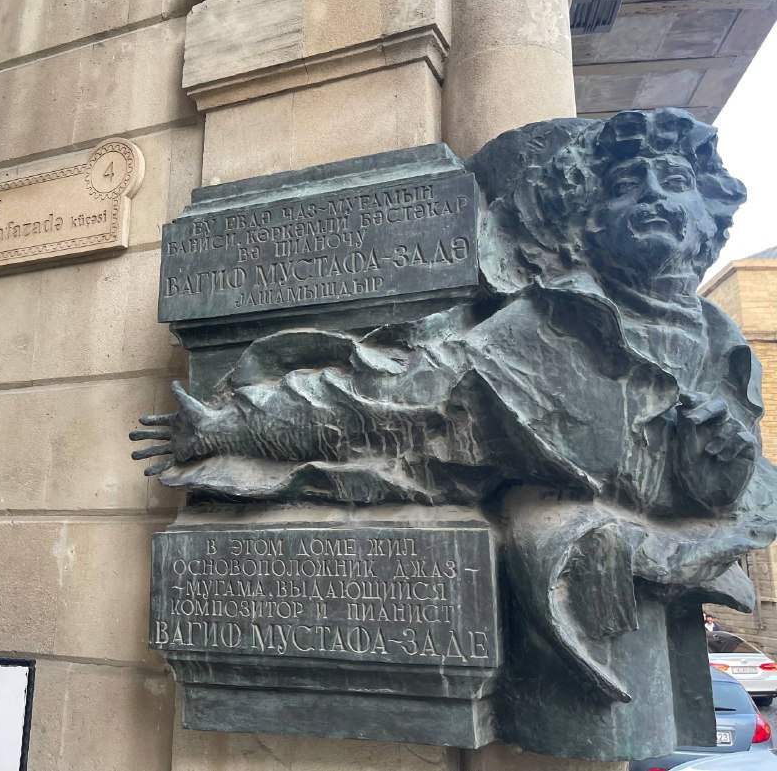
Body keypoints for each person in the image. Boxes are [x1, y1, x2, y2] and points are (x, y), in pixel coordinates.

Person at [131, 108, 777, 708]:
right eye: (630, 185)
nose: (655, 196)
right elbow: (378, 397)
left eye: (674, 182)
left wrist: (722, 463)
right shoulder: (539, 328)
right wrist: (226, 427)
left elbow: (726, 496)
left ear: (709, 218)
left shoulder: (724, 349)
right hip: (567, 597)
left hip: (647, 592)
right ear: (593, 219)